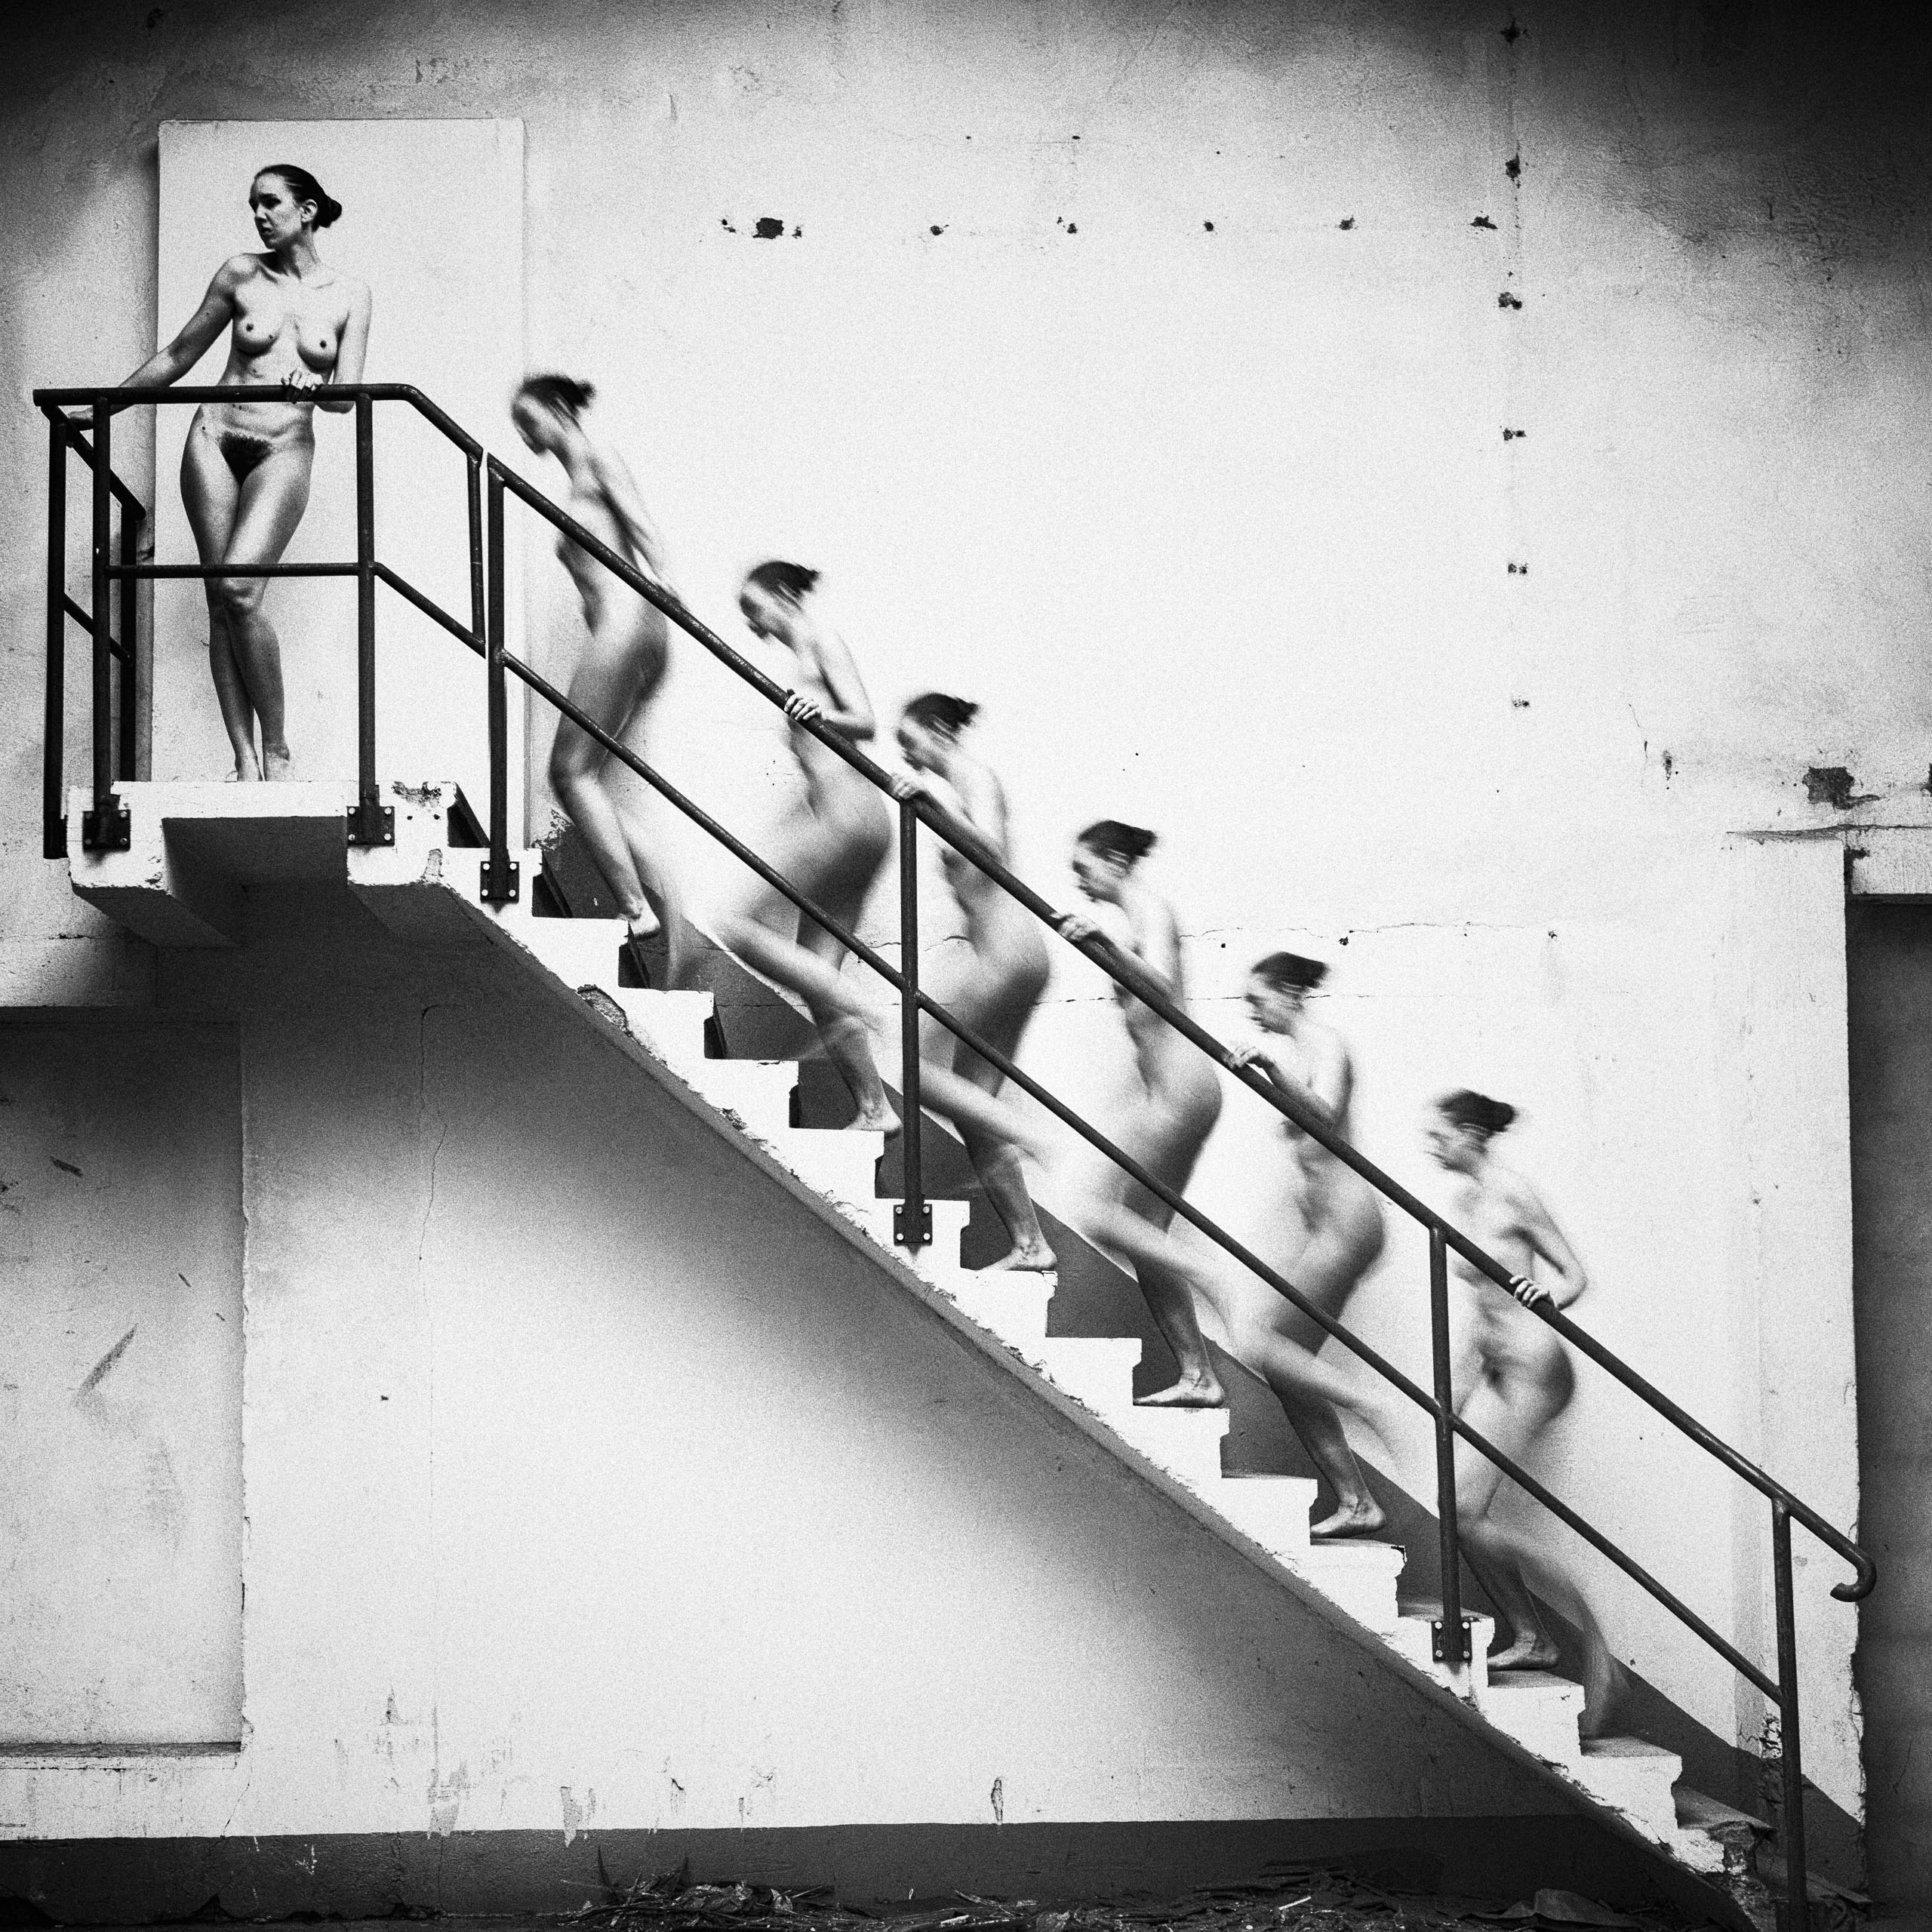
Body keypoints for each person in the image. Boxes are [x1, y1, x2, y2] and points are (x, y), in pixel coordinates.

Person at [122, 165, 371, 781]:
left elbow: (346, 398)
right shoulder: (240, 273)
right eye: (253, 204)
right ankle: (244, 757)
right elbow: (179, 354)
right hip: (214, 436)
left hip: (284, 446)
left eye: (271, 202)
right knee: (220, 601)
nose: (259, 215)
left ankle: (278, 748)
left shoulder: (350, 294)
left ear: (306, 211)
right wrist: (103, 405)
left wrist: (316, 386)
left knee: (240, 590)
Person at [1426, 1089, 1623, 1727]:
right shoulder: (1463, 1202)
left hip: (1535, 1366)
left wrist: (1548, 1301)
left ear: (1471, 1134)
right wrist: (1453, 1392)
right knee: (1459, 1511)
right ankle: (1533, 1637)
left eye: (1439, 1135)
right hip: (1495, 1366)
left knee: (1464, 1511)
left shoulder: (1514, 1193)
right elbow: (1478, 1307)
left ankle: (1589, 1634)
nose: (1431, 1146)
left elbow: (1573, 1275)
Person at [512, 374, 688, 989]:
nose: (524, 434)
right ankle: (665, 900)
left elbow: (642, 527)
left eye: (528, 418)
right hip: (627, 629)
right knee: (588, 778)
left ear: (559, 408)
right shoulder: (576, 478)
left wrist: (665, 586)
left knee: (567, 772)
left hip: (625, 624)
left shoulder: (597, 458)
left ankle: (639, 909)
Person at [715, 562, 898, 1131]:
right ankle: (876, 1109)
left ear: (783, 595)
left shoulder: (821, 640)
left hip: (848, 815)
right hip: (858, 821)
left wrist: (821, 715)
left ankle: (865, 1006)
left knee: (735, 923)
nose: (754, 626)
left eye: (755, 609)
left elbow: (866, 720)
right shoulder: (801, 658)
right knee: (818, 976)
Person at [890, 694, 1055, 1272]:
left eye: (909, 740)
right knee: (972, 1104)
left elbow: (990, 848)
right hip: (1009, 953)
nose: (906, 755)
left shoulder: (974, 778)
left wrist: (932, 805)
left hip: (1008, 951)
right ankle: (1031, 1244)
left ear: (938, 730)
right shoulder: (958, 787)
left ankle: (1039, 1139)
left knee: (921, 1072)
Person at [1226, 952, 1389, 1538]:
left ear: (1290, 994)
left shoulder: (1327, 1044)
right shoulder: (1301, 1053)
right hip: (1331, 1226)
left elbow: (1323, 1114)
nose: (1253, 1013)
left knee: (1264, 1342)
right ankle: (1356, 1501)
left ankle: (1373, 1406)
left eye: (1258, 999)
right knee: (1285, 1364)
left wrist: (1270, 1067)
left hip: (1348, 1221)